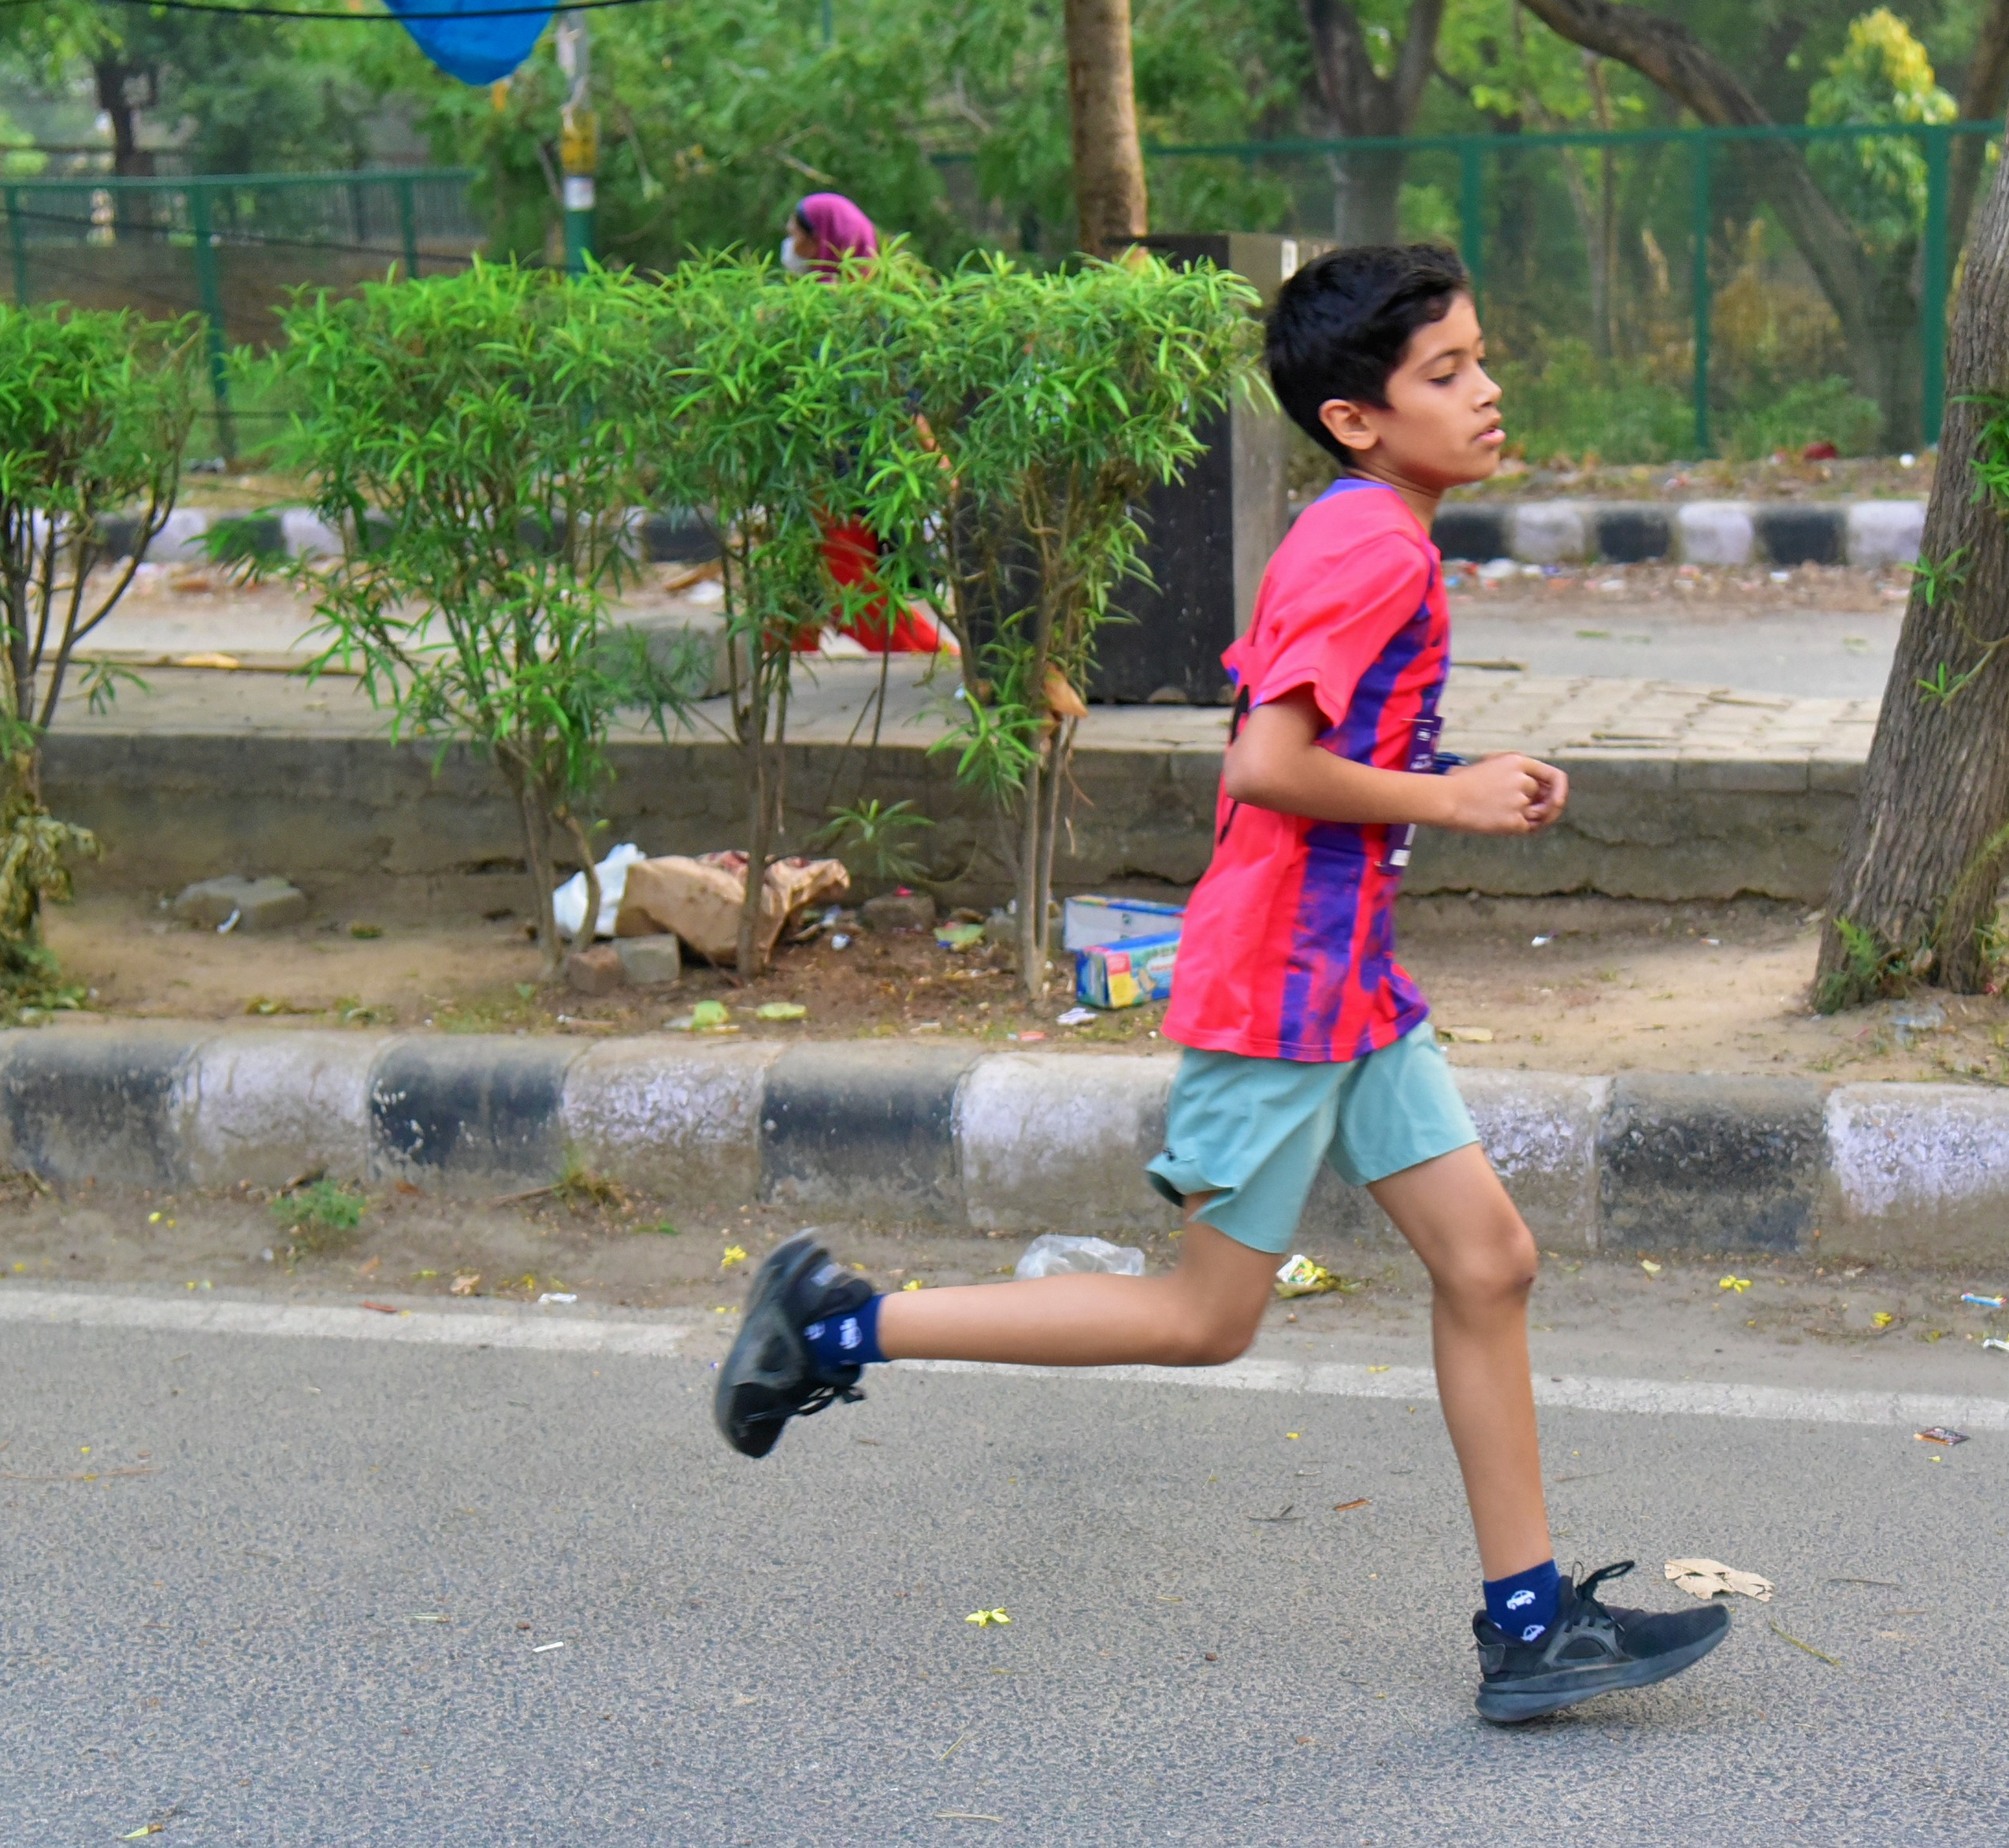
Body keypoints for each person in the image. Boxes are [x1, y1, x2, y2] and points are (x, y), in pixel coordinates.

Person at [712, 243, 1730, 1725]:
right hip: (1284, 984)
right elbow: (1264, 761)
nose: (1484, 390)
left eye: (1478, 358)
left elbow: (1314, 742)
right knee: (1203, 1315)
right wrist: (1449, 797)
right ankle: (831, 1324)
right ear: (1354, 418)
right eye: (1444, 372)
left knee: (1487, 1261)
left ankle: (1529, 1628)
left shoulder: (1363, 528)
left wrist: (1449, 776)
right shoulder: (1374, 548)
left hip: (1343, 975)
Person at [775, 191, 951, 656]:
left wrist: (932, 459)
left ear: (822, 240)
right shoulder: (825, 308)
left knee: (848, 588)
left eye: (796, 235)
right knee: (792, 590)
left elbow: (900, 400)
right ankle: (780, 671)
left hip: (843, 479)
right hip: (811, 477)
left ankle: (935, 658)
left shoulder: (860, 313)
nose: (789, 246)